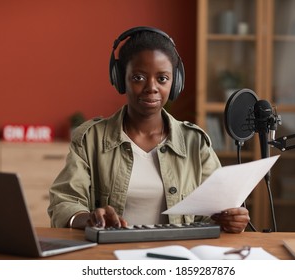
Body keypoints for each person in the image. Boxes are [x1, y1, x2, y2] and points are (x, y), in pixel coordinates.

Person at [48, 26, 250, 233]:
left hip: (177, 255)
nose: (151, 87)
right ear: (120, 79)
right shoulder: (90, 139)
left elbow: (215, 212)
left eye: (162, 78)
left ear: (175, 82)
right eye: (138, 78)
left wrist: (230, 219)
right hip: (110, 255)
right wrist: (88, 219)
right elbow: (63, 203)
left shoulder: (195, 142)